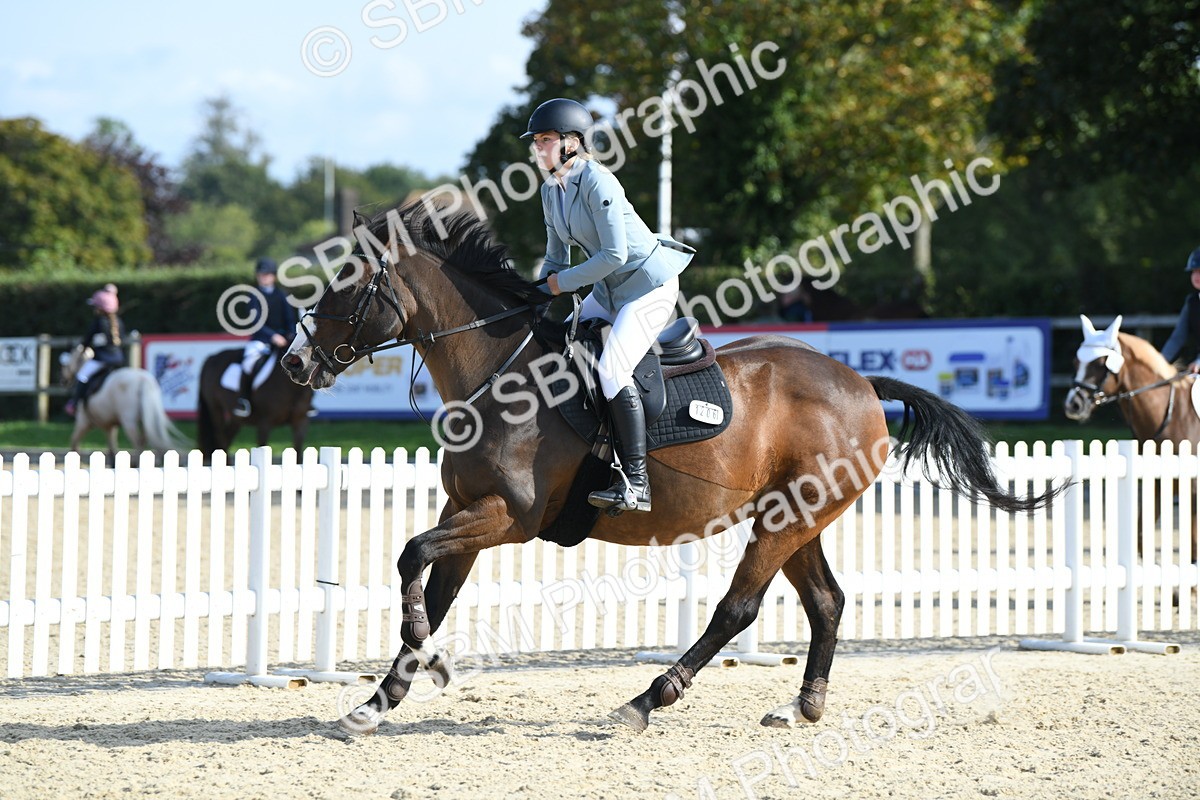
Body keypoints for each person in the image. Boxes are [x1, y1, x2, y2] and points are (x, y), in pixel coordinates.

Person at [524, 98, 695, 513]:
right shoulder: (552, 191)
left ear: (571, 143)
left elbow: (615, 256)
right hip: (608, 293)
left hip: (649, 287)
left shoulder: (599, 181)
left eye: (545, 140)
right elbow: (555, 261)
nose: (537, 148)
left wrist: (558, 285)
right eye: (536, 141)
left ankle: (636, 482)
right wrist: (529, 294)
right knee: (561, 347)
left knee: (612, 369)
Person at [233, 258, 297, 418]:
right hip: (261, 340)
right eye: (261, 274)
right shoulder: (254, 295)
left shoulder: (281, 295)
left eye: (266, 274)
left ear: (273, 276)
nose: (263, 277)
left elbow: (289, 318)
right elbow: (255, 321)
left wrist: (289, 334)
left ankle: (304, 401)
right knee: (248, 363)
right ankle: (244, 399)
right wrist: (272, 336)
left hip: (283, 339)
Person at [65, 286, 126, 416]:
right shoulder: (119, 322)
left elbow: (87, 340)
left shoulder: (98, 322)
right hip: (119, 359)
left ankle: (75, 403)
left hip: (102, 359)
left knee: (82, 375)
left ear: (99, 308)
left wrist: (82, 350)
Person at [1159, 246, 1200, 373]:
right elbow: (1177, 338)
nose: (1196, 276)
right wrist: (1158, 362)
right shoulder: (1192, 302)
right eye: (1193, 271)